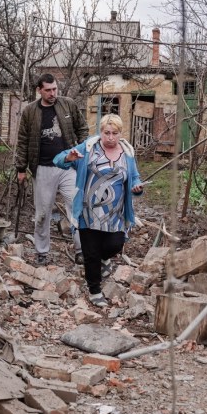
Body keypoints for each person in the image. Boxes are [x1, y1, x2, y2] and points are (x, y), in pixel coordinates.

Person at [53, 114, 143, 307]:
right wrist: (68, 158)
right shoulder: (88, 148)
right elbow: (58, 160)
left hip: (115, 215)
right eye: (106, 132)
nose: (110, 137)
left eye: (114, 133)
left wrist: (137, 186)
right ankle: (95, 290)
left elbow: (134, 177)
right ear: (100, 132)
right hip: (87, 212)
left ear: (120, 133)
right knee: (90, 253)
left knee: (115, 245)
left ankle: (104, 259)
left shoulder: (127, 153)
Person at [15, 73, 89, 265]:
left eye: (54, 89)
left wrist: (82, 150)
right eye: (47, 90)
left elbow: (83, 128)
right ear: (39, 90)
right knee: (42, 213)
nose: (52, 93)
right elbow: (22, 141)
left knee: (76, 207)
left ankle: (81, 249)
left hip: (68, 167)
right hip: (42, 168)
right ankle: (41, 252)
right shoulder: (30, 111)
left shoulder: (68, 104)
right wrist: (21, 168)